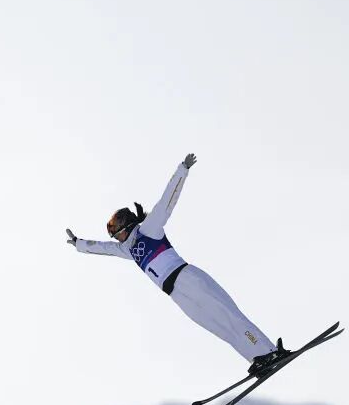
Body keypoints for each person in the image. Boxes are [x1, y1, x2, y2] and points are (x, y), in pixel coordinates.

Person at [66, 153, 289, 376]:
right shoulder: (128, 250)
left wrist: (182, 169)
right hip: (176, 294)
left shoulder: (149, 229)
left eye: (116, 233)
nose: (115, 238)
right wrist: (79, 244)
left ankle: (269, 350)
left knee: (227, 313)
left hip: (187, 278)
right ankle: (258, 358)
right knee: (216, 325)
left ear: (126, 225)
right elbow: (103, 248)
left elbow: (167, 202)